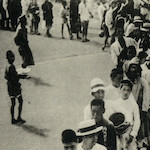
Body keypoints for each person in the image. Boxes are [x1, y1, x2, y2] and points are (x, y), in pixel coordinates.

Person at [114, 80, 140, 150]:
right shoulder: (115, 103)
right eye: (124, 89)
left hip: (129, 132)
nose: (125, 92)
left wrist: (133, 134)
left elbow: (137, 121)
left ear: (130, 91)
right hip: (118, 133)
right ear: (120, 89)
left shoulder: (134, 105)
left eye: (128, 90)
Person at [5, 50, 26, 124]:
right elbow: (15, 78)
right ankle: (19, 117)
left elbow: (6, 77)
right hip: (15, 87)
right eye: (11, 57)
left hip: (10, 87)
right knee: (20, 101)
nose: (13, 58)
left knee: (13, 103)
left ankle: (12, 119)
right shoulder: (12, 67)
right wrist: (23, 76)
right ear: (8, 58)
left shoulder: (7, 66)